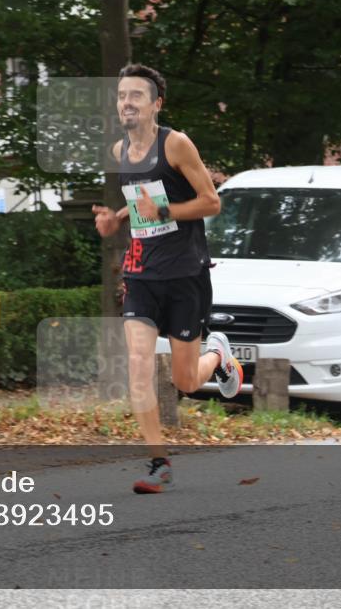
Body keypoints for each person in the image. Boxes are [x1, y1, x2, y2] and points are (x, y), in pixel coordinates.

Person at [92, 64, 242, 494]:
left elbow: (211, 202)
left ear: (157, 104)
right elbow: (142, 202)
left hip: (185, 274)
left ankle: (218, 356)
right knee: (139, 366)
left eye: (136, 95)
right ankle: (159, 462)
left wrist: (168, 213)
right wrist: (116, 219)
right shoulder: (121, 152)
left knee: (186, 381)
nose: (127, 103)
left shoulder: (176, 145)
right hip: (141, 272)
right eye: (122, 95)